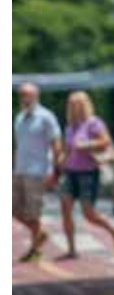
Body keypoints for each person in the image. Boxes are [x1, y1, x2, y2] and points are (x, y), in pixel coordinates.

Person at [58, 91, 114, 259]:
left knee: (89, 214)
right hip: (70, 172)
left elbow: (106, 142)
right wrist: (60, 161)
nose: (75, 107)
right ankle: (71, 249)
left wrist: (86, 145)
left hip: (88, 173)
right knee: (65, 208)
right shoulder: (69, 127)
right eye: (72, 104)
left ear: (85, 105)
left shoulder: (93, 123)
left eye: (79, 104)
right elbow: (67, 150)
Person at [13, 83, 62, 262]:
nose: (24, 98)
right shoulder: (19, 117)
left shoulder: (45, 117)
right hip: (19, 169)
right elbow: (18, 146)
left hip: (38, 171)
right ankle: (40, 234)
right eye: (21, 95)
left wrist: (56, 171)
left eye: (27, 94)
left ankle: (35, 249)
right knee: (12, 208)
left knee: (34, 212)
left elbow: (56, 143)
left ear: (36, 96)